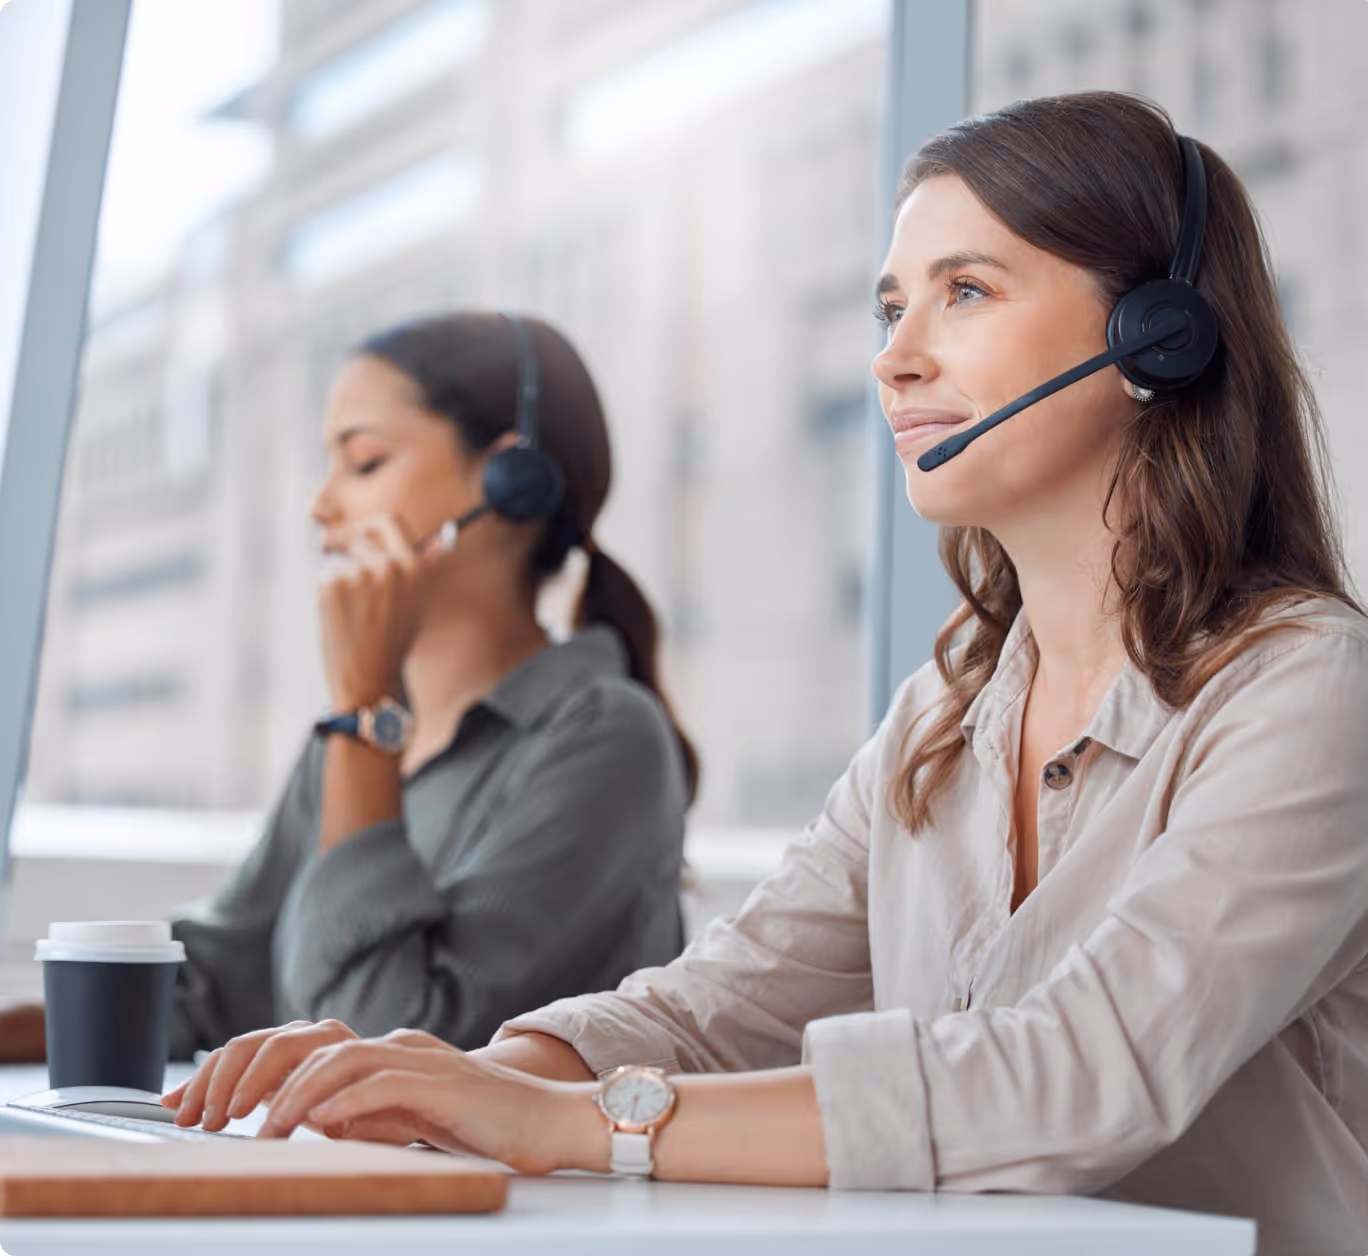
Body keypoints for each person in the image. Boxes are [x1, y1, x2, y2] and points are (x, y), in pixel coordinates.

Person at [163, 94, 1367, 1253]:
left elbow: (1081, 1071)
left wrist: (571, 1123)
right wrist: (458, 1081)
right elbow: (713, 1008)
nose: (895, 358)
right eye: (890, 307)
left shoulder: (1306, 690)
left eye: (965, 292)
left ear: (1157, 334)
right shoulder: (943, 720)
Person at [0, 310, 697, 1063]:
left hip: (475, 1182)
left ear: (509, 481)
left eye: (364, 463)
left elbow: (386, 1044)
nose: (320, 505)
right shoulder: (360, 729)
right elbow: (211, 982)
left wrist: (364, 715)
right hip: (333, 1168)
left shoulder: (604, 737)